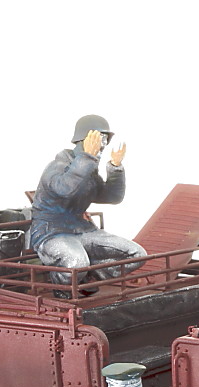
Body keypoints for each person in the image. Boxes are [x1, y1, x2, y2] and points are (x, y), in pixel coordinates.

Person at [30, 114, 147, 292]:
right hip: (51, 232)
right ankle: (62, 288)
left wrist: (115, 167)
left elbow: (112, 197)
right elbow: (65, 189)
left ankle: (88, 279)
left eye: (104, 140)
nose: (102, 145)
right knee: (76, 262)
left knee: (136, 255)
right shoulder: (58, 166)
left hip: (81, 229)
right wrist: (87, 158)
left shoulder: (88, 169)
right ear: (83, 140)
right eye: (98, 139)